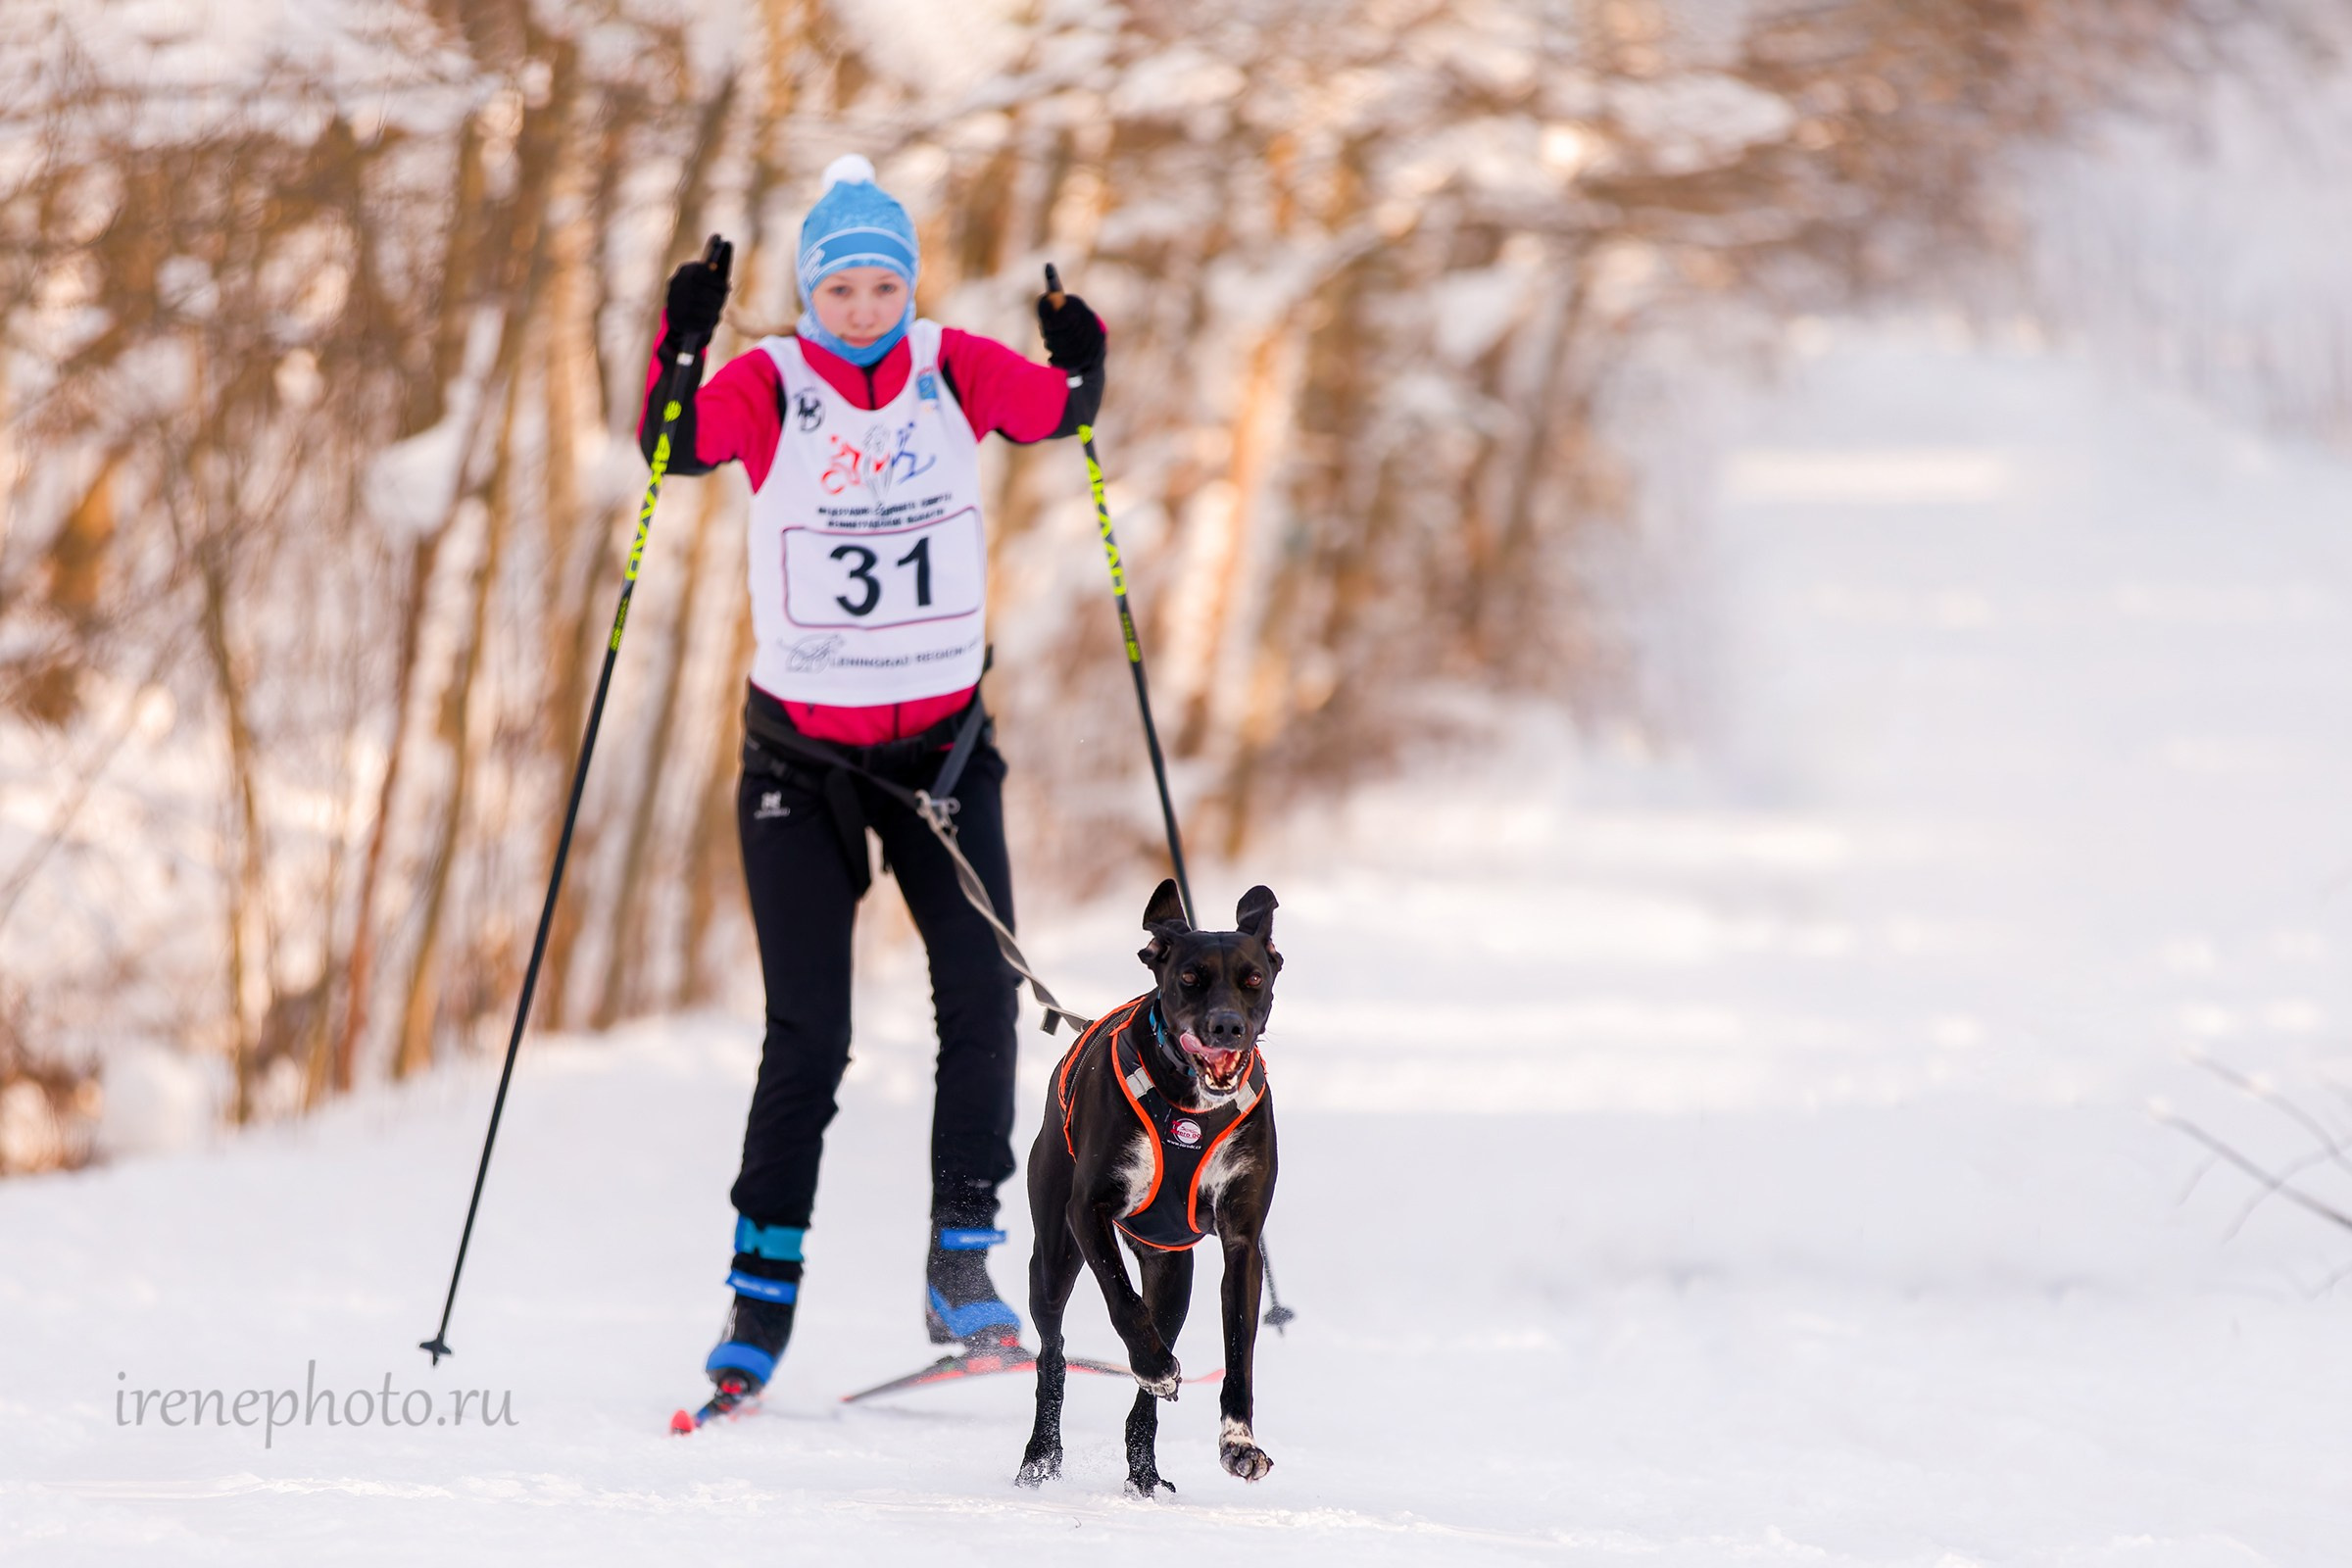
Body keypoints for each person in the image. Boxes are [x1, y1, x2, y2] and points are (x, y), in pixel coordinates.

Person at [640, 155, 1106, 1409]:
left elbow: (1064, 410)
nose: (859, 305)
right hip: (800, 760)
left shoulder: (953, 368)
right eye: (838, 285)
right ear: (807, 292)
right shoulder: (771, 384)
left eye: (880, 282)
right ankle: (759, 1298)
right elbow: (671, 447)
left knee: (984, 996)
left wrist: (1081, 345)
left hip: (941, 757)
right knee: (812, 1034)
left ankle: (966, 1261)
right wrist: (679, 347)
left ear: (908, 286)